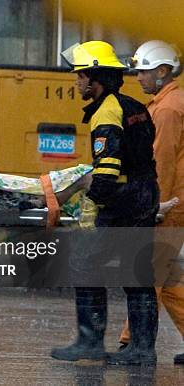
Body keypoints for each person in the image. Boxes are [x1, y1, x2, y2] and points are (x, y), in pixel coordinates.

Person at [51, 40, 159, 366]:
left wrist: (91, 203)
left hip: (122, 201)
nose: (77, 82)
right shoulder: (134, 106)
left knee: (84, 265)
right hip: (143, 195)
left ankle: (90, 342)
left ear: (95, 77)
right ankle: (142, 349)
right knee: (136, 274)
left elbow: (108, 168)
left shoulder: (107, 111)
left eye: (81, 76)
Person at [118, 40, 184, 365]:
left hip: (170, 203)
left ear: (162, 71)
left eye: (143, 71)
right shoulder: (167, 102)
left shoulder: (169, 108)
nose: (138, 77)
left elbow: (163, 161)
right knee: (167, 279)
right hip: (174, 200)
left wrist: (155, 205)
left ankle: (132, 343)